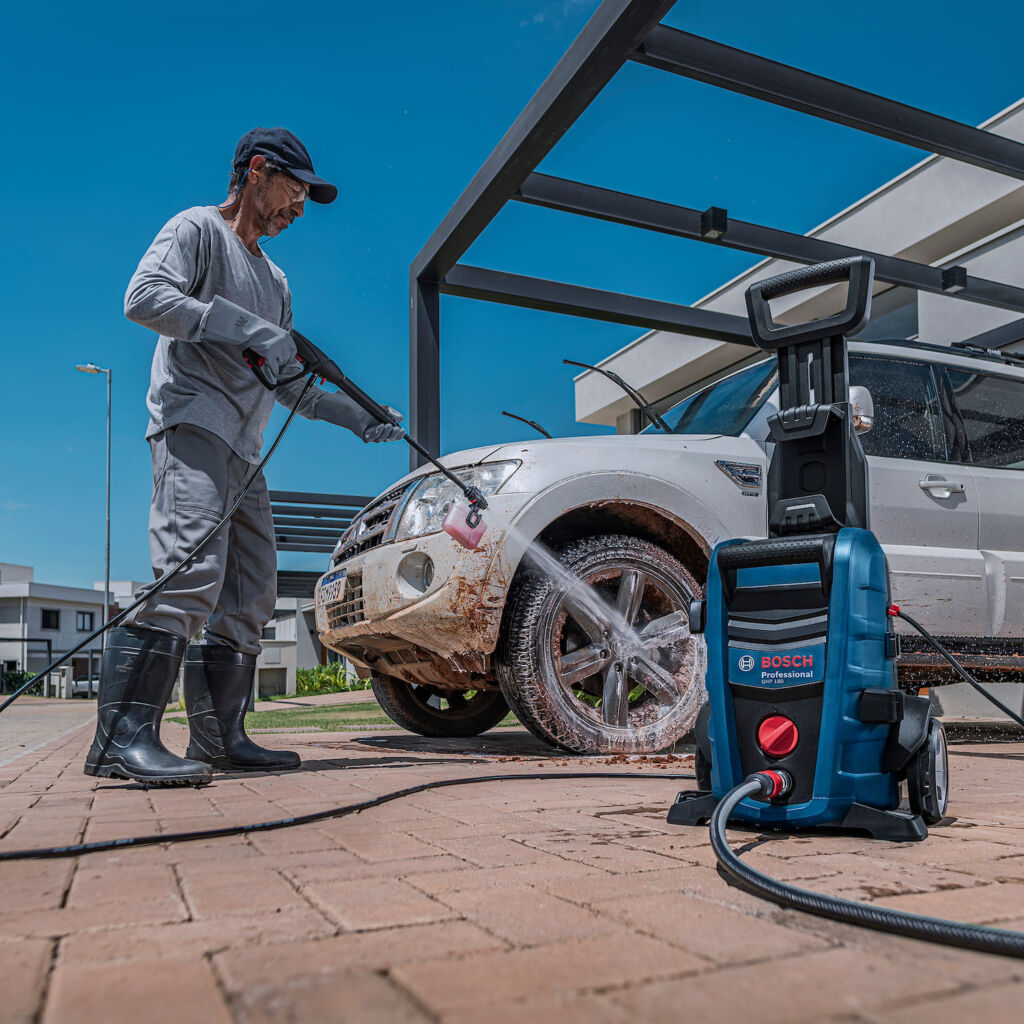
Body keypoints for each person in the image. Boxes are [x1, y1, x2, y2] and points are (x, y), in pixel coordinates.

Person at [85, 127, 403, 786]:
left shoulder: (276, 280)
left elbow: (286, 381)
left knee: (251, 592)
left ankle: (220, 739)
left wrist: (359, 419)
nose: (300, 208)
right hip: (191, 424)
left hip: (245, 448)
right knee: (190, 574)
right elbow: (143, 299)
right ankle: (118, 741)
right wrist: (241, 326)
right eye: (295, 190)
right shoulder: (197, 231)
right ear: (257, 171)